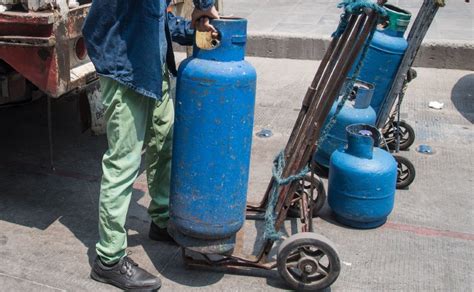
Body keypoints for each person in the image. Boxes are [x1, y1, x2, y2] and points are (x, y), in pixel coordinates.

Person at [82, 0, 218, 290]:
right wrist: (204, 4)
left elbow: (155, 16)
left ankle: (161, 219)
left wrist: (191, 28)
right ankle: (108, 259)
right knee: (124, 161)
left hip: (150, 64)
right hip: (124, 67)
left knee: (165, 140)